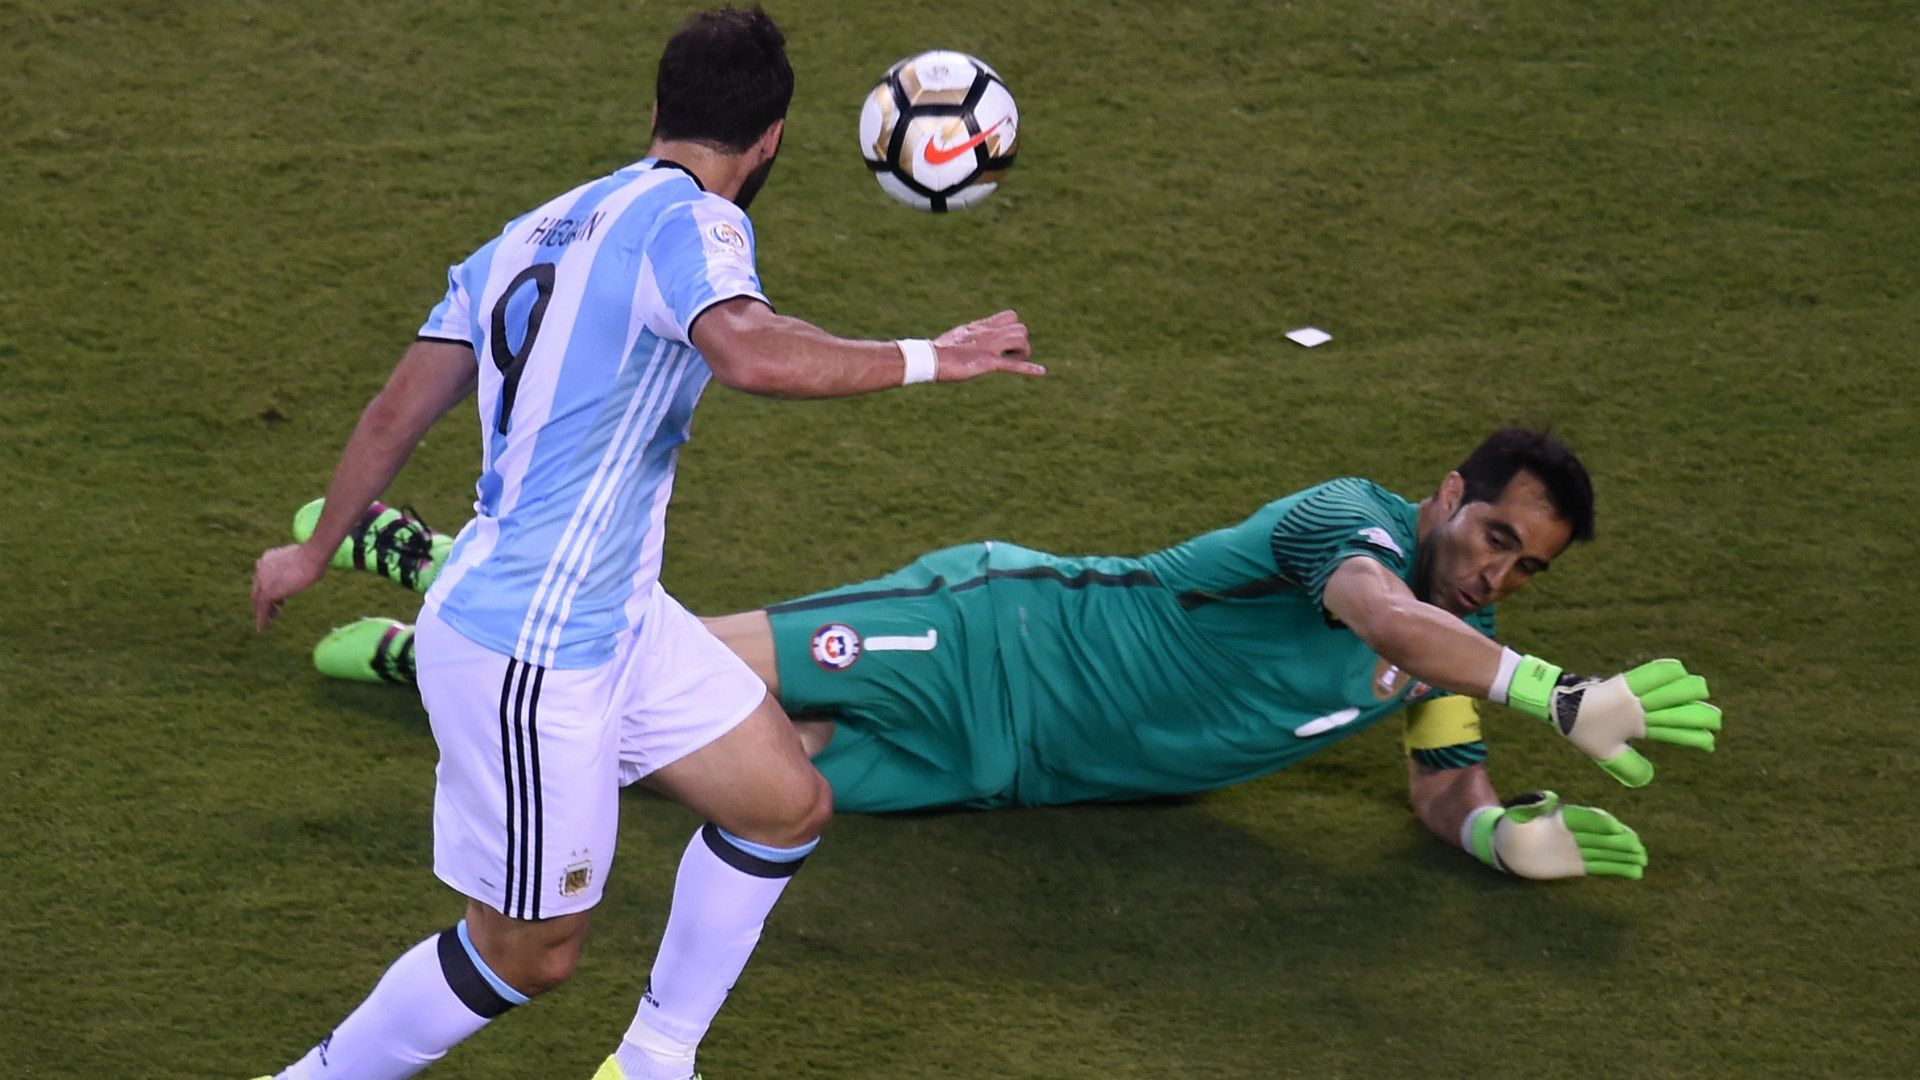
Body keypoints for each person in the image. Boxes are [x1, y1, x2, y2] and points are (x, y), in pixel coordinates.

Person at [247, 8, 1041, 1080]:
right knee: (527, 954)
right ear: (771, 139)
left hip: (612, 615)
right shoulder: (696, 220)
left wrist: (310, 553)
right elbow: (751, 353)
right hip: (531, 650)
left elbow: (398, 409)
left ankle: (654, 1062)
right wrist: (933, 357)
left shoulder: (531, 231)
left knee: (784, 805)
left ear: (657, 108)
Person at [298, 427, 1722, 884]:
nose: (1494, 577)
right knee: (685, 662)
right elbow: (1379, 614)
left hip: (1008, 769)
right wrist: (1558, 694)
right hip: (991, 639)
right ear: (1446, 494)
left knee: (728, 772)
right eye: (1491, 537)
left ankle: (450, 665)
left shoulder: (1463, 648)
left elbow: (1440, 772)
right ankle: (447, 579)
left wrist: (1496, 838)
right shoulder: (1345, 525)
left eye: (1525, 570)